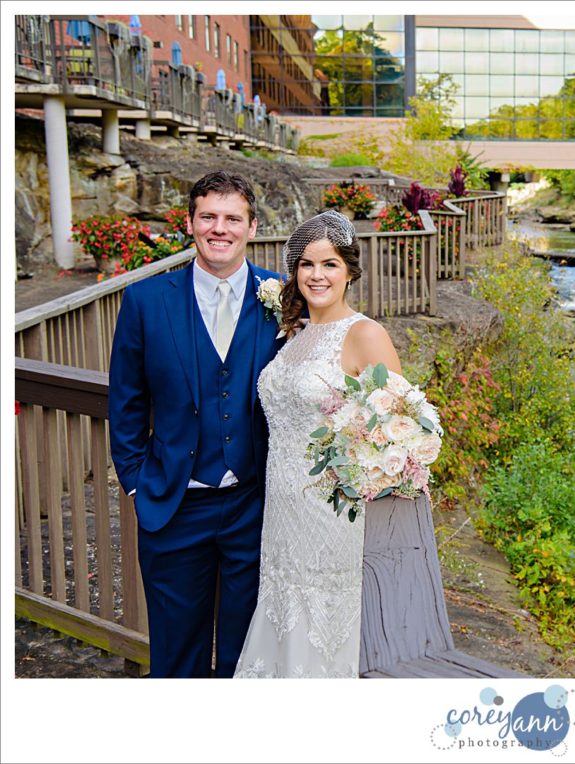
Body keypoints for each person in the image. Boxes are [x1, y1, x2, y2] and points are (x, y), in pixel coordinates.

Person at [235, 210, 450, 678]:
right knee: (282, 604)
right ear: (294, 272)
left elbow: (405, 426)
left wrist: (365, 470)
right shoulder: (293, 334)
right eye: (307, 264)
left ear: (350, 270)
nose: (317, 275)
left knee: (327, 625)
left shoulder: (364, 334)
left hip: (332, 512)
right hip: (282, 509)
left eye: (330, 264)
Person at [108, 171, 285, 677]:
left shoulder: (283, 296)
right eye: (208, 216)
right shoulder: (145, 301)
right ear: (190, 223)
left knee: (245, 654)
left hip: (254, 508)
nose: (219, 228)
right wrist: (139, 484)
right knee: (176, 655)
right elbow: (126, 402)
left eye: (233, 218)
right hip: (174, 505)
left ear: (252, 227)